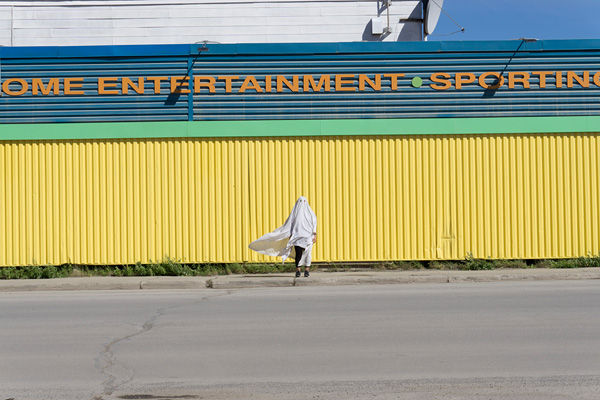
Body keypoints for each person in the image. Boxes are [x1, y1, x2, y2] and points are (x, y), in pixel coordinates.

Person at [249, 196, 317, 277]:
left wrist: (314, 235)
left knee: (308, 254)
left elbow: (314, 224)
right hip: (296, 237)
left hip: (308, 237)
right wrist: (290, 234)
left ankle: (307, 270)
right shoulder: (294, 214)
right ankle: (298, 270)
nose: (302, 203)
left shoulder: (311, 214)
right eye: (300, 201)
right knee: (298, 254)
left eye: (304, 201)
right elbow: (289, 225)